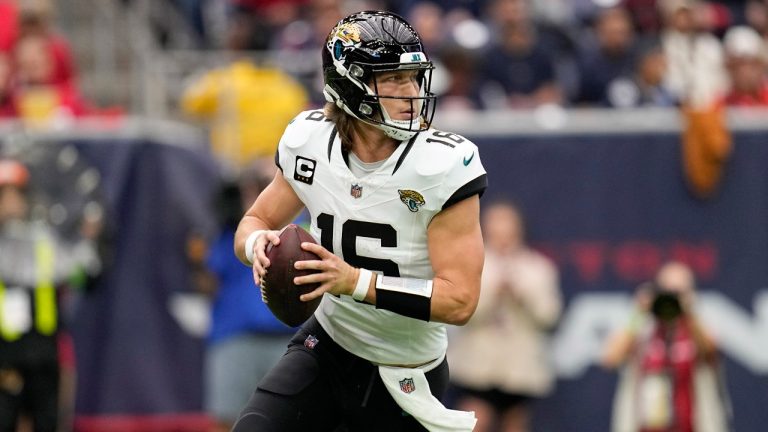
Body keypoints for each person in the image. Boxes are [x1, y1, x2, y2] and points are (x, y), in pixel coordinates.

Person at [231, 10, 487, 432]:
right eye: (392, 79)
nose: (410, 93)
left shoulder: (441, 166)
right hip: (328, 346)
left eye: (412, 78)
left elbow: (460, 300)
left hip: (406, 371)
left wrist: (354, 282)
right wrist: (255, 244)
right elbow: (255, 218)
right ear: (348, 84)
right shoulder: (310, 142)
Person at [0, 158, 101, 432]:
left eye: (15, 193)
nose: (10, 202)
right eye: (3, 194)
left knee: (48, 421)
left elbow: (82, 275)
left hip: (44, 352)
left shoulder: (43, 240)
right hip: (4, 355)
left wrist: (88, 240)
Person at [196, 159, 294, 432]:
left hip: (285, 337)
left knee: (287, 419)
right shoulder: (229, 228)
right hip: (235, 335)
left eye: (264, 185)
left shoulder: (298, 223)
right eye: (251, 185)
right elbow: (208, 281)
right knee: (228, 418)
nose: (256, 191)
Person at [448, 201, 562, 432]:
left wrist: (522, 297)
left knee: (515, 424)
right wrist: (493, 295)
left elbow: (550, 317)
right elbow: (461, 313)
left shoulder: (538, 268)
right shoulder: (472, 266)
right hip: (478, 367)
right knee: (472, 422)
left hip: (520, 368)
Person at [601, 261, 731, 432]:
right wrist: (638, 312)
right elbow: (609, 358)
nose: (672, 300)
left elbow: (712, 351)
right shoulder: (644, 329)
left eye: (678, 292)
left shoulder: (695, 328)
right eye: (667, 292)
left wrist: (690, 312)